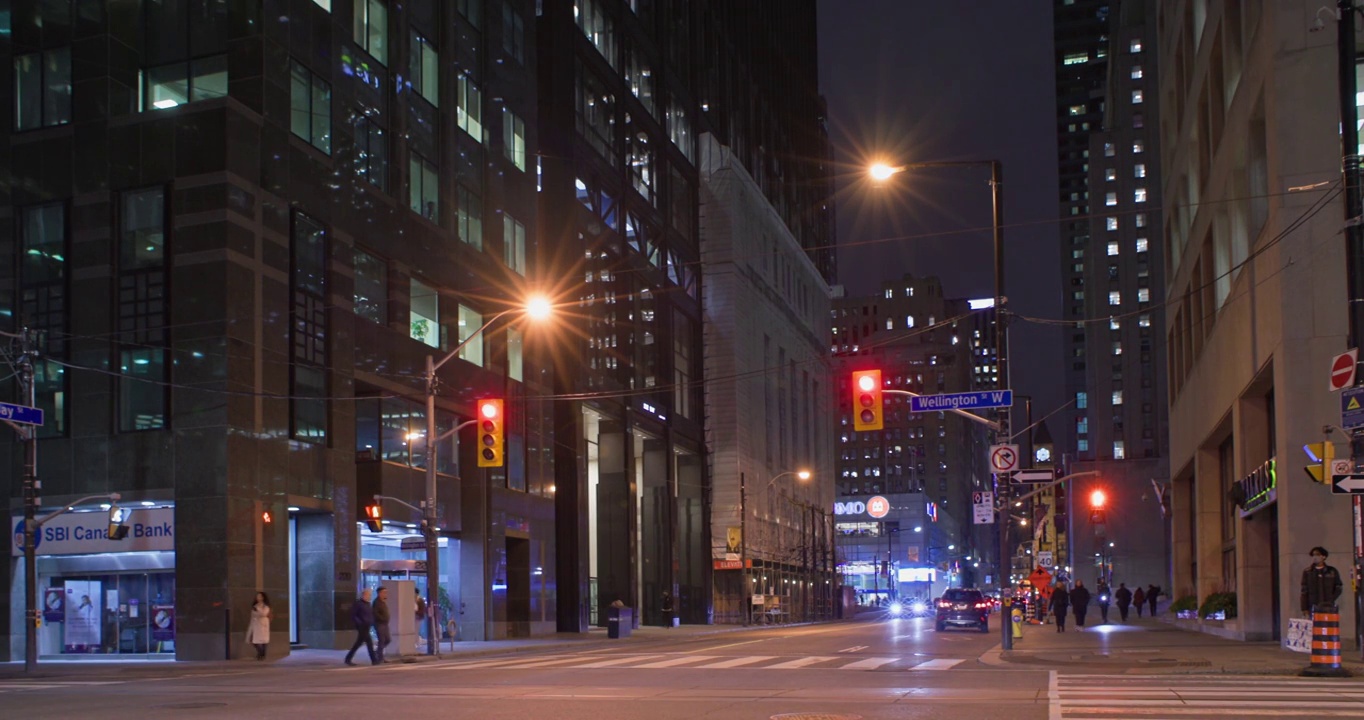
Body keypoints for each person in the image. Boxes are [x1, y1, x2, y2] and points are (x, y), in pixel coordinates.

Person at [1301, 546, 1344, 616]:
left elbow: (1338, 587)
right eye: (1313, 555)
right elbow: (1304, 591)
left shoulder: (1332, 571)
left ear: (1324, 557)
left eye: (1317, 555)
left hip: (1328, 607)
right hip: (1312, 607)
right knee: (1314, 625)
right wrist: (1304, 608)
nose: (1315, 557)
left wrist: (1331, 599)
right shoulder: (1308, 572)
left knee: (1328, 625)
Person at [344, 588, 377, 666]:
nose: (369, 596)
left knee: (359, 643)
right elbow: (353, 615)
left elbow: (370, 614)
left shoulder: (368, 604)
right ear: (363, 595)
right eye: (368, 595)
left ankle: (348, 659)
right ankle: (374, 660)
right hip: (362, 627)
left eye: (370, 595)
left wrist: (372, 621)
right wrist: (360, 623)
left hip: (367, 626)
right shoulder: (358, 604)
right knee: (369, 642)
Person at [246, 591, 271, 661]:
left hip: (263, 624)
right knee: (255, 641)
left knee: (263, 641)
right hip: (255, 624)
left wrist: (258, 610)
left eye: (260, 596)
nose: (258, 598)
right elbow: (253, 615)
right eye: (257, 596)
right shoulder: (255, 606)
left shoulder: (265, 606)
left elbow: (263, 614)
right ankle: (261, 653)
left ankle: (262, 654)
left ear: (263, 598)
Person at [373, 586, 392, 664]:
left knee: (388, 639)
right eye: (384, 592)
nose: (386, 594)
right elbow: (375, 613)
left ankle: (377, 652)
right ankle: (380, 658)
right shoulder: (376, 602)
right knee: (382, 640)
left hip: (385, 624)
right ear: (379, 593)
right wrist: (382, 618)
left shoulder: (383, 602)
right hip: (379, 624)